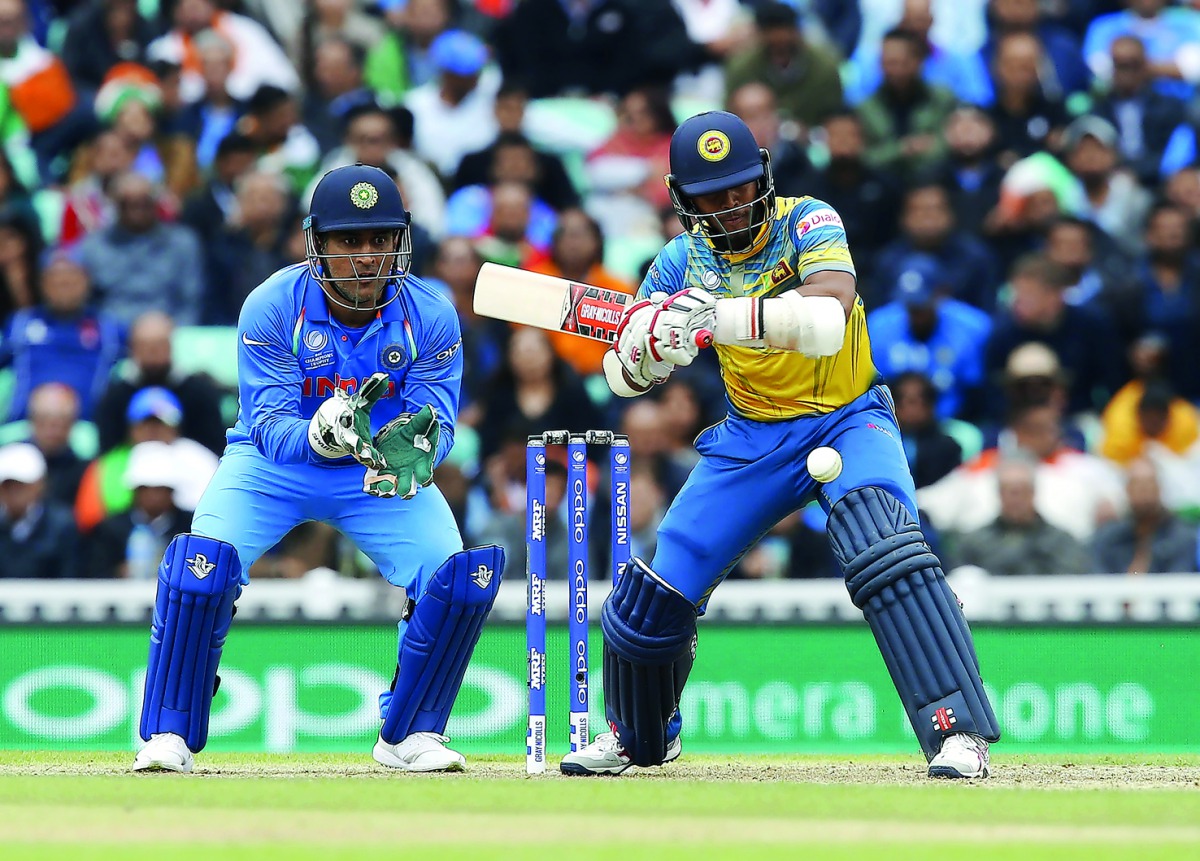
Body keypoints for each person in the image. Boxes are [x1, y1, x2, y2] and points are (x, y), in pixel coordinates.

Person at [560, 111, 999, 780]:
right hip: (751, 436)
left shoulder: (807, 220)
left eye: (741, 187)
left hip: (848, 417)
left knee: (886, 548)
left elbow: (826, 316)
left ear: (763, 177)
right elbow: (621, 372)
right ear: (682, 197)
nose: (733, 205)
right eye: (715, 195)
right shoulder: (678, 260)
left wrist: (713, 319)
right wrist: (647, 354)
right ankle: (637, 735)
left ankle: (957, 734)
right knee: (652, 590)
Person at [131, 164, 504, 775]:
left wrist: (418, 448)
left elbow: (435, 418)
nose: (365, 256)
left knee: (454, 577)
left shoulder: (431, 316)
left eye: (379, 239)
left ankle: (410, 734)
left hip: (375, 471)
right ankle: (169, 732)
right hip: (271, 467)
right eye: (348, 240)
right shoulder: (273, 305)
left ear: (400, 241)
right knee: (202, 569)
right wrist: (318, 433)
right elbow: (270, 426)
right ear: (317, 243)